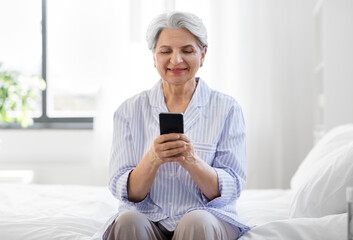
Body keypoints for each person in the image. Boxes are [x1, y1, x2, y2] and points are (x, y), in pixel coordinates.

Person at [103, 11, 249, 240]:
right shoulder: (128, 111)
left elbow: (230, 188)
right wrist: (153, 158)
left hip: (207, 217)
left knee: (196, 221)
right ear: (154, 57)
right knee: (128, 220)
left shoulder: (227, 109)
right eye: (165, 51)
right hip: (147, 218)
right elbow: (126, 192)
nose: (176, 60)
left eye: (187, 51)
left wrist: (190, 160)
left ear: (203, 54)